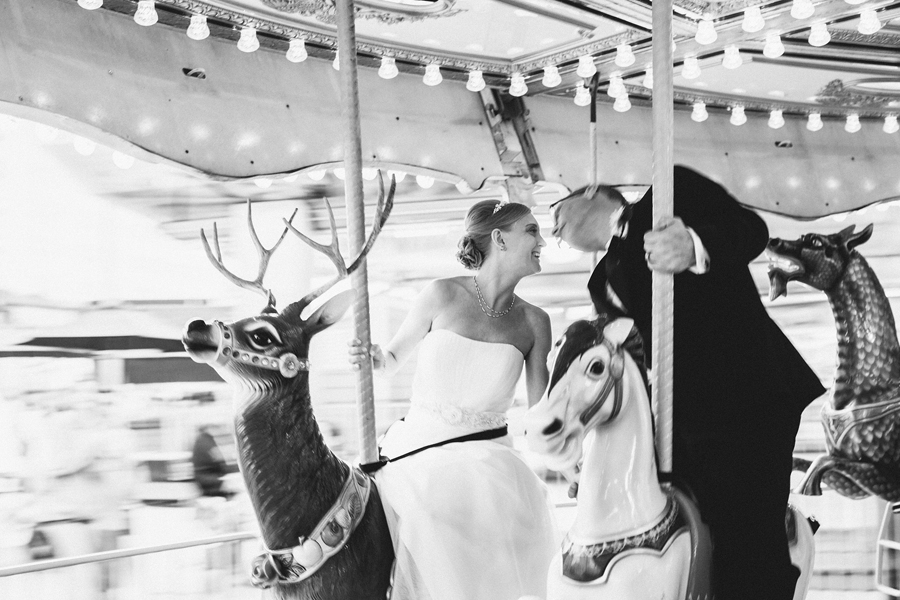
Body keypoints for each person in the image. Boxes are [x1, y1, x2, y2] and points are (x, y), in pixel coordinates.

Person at [551, 164, 825, 600]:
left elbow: (749, 229)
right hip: (681, 415)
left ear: (590, 193)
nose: (556, 230)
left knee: (746, 532)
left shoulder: (670, 191)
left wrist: (694, 246)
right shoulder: (600, 279)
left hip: (745, 393)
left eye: (556, 214)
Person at [349, 199, 558, 600]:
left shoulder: (535, 322)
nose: (542, 240)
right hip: (420, 446)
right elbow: (390, 359)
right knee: (422, 508)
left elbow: (541, 411)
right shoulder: (441, 294)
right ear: (499, 238)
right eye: (532, 230)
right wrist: (372, 356)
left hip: (488, 456)